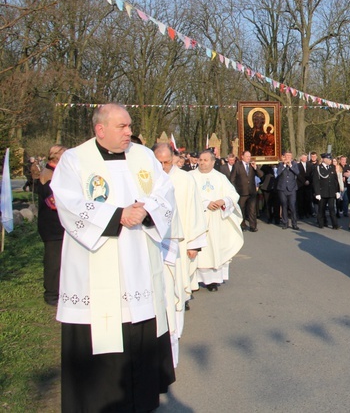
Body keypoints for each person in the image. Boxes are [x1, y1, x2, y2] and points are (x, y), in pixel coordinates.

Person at [51, 104, 175, 411]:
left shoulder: (144, 156)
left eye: (130, 125)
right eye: (122, 127)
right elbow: (69, 203)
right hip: (96, 266)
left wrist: (145, 211)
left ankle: (141, 401)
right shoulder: (75, 160)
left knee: (140, 331)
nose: (129, 132)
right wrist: (118, 215)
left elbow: (164, 190)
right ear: (100, 129)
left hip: (139, 264)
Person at [153, 143, 207, 367]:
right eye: (159, 163)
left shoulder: (185, 180)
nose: (164, 167)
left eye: (167, 162)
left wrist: (194, 244)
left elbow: (194, 210)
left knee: (176, 290)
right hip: (153, 246)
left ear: (173, 159)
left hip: (179, 246)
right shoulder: (145, 179)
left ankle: (175, 335)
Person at [191, 150, 243, 292]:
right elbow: (186, 197)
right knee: (198, 251)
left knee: (214, 249)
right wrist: (205, 202)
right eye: (200, 160)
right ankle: (193, 280)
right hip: (197, 220)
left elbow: (233, 194)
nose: (202, 162)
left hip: (216, 220)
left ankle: (212, 280)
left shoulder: (220, 177)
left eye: (206, 160)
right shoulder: (190, 177)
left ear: (213, 162)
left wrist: (223, 200)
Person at [36, 145, 67, 306]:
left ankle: (60, 290)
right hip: (52, 225)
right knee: (53, 261)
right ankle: (52, 294)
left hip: (59, 224)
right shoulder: (49, 174)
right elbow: (52, 201)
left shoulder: (58, 172)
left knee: (62, 260)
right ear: (56, 157)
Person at [230, 150, 263, 232]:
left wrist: (256, 168)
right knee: (241, 209)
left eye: (249, 156)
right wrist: (235, 190)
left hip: (252, 192)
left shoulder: (252, 165)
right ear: (242, 157)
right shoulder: (237, 165)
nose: (249, 158)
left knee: (252, 210)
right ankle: (242, 225)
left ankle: (253, 226)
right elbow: (232, 179)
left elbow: (261, 175)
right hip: (241, 192)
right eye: (247, 156)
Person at [313, 153, 339, 229]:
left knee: (332, 208)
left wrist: (337, 191)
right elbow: (316, 181)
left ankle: (335, 225)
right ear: (324, 159)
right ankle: (321, 223)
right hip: (322, 192)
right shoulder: (318, 168)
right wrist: (317, 193)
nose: (330, 160)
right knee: (321, 209)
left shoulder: (332, 167)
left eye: (330, 159)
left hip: (331, 192)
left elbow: (335, 180)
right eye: (328, 159)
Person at [276, 150, 300, 230]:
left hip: (292, 188)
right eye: (287, 156)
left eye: (290, 156)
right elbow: (278, 173)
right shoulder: (280, 164)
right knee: (284, 205)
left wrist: (290, 166)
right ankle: (285, 223)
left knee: (292, 206)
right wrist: (283, 165)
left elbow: (297, 173)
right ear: (284, 156)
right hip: (282, 188)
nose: (288, 157)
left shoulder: (294, 164)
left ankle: (294, 223)